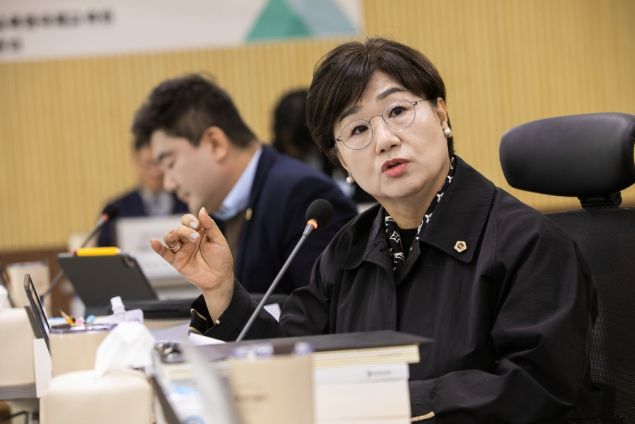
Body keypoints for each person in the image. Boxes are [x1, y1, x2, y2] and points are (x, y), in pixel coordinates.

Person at [151, 39, 601, 422]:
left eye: (398, 110)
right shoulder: (347, 249)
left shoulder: (530, 244)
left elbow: (537, 389)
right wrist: (222, 291)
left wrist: (385, 402)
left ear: (441, 115)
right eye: (358, 129)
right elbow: (291, 363)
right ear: (342, 161)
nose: (385, 139)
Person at [134, 73, 357, 294]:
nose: (168, 184)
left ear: (215, 144)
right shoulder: (215, 214)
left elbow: (327, 309)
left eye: (170, 163)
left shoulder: (302, 194)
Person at [272, 87, 375, 206]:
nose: (296, 152)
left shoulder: (330, 148)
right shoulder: (274, 165)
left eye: (303, 146)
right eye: (292, 144)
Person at [96, 138, 188, 247]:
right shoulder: (117, 209)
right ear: (136, 162)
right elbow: (103, 250)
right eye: (148, 164)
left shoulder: (187, 202)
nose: (155, 172)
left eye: (159, 163)